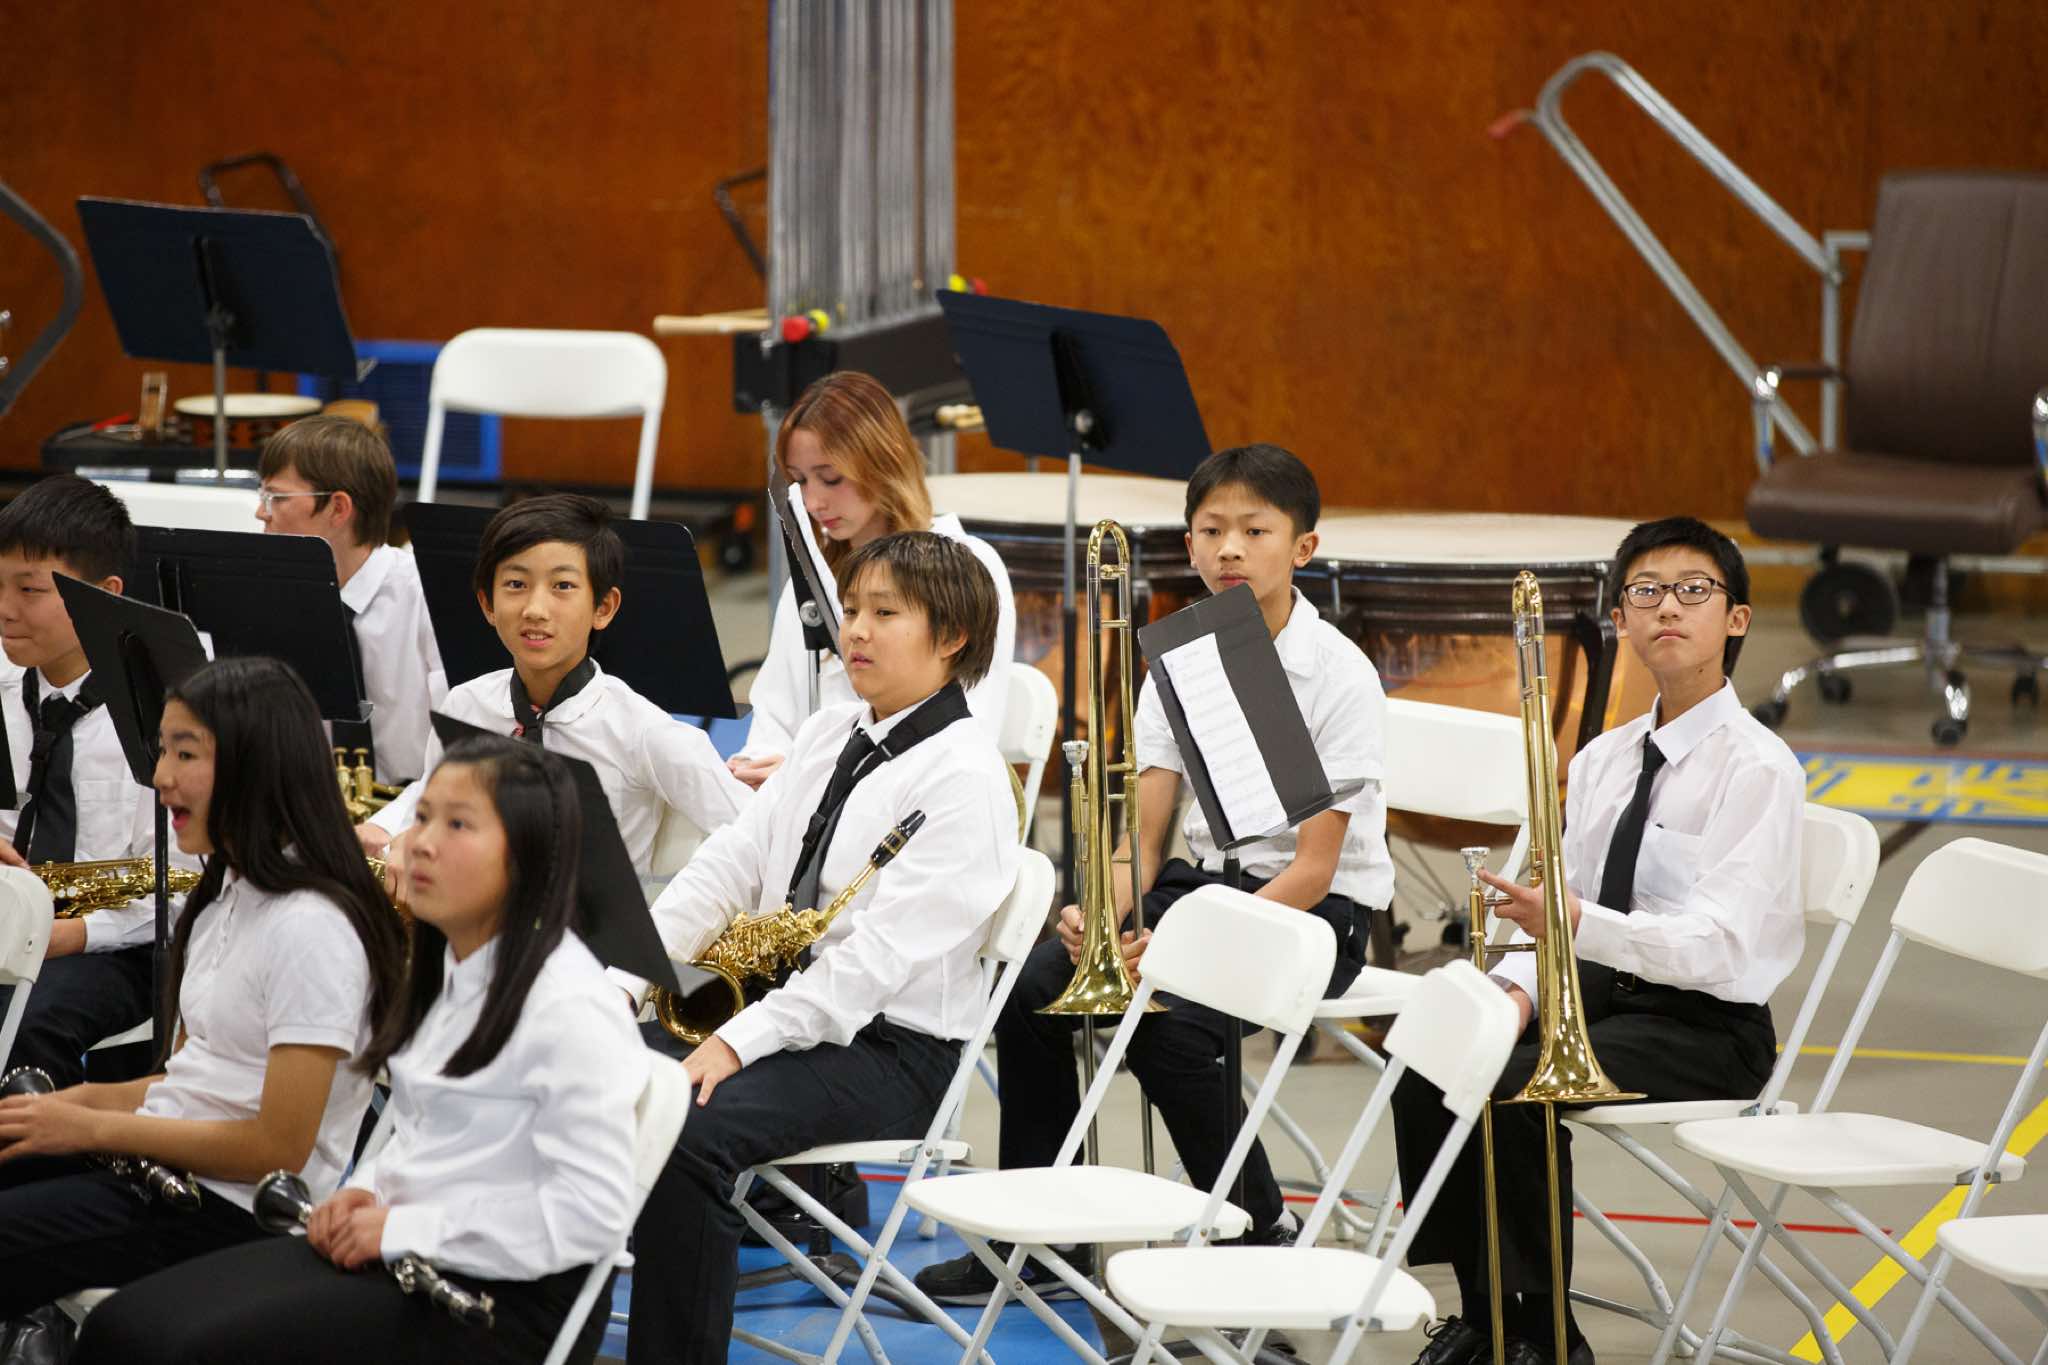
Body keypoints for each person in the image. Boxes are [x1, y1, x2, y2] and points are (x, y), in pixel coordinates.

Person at [915, 442, 1396, 1303]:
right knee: (1033, 990)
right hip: (1205, 887)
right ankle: (1043, 1244)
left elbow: (1316, 868)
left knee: (1168, 1023)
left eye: (1255, 531)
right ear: (1189, 544)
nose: (1230, 550)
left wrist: (1183, 947)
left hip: (1319, 914)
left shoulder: (1341, 676)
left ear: (1304, 548)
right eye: (1211, 531)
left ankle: (1258, 1231)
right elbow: (1140, 837)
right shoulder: (1182, 661)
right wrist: (1099, 914)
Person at [74, 736, 648, 1365]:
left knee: (171, 1346)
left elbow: (590, 1214)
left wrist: (403, 1227)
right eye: (421, 817)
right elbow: (429, 1135)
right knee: (125, 1326)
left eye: (458, 825)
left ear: (528, 856)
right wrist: (368, 1189)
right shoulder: (454, 966)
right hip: (412, 1252)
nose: (420, 842)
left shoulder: (570, 1004)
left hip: (501, 1304)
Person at [1394, 517, 1803, 1365]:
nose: (1667, 607)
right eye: (1645, 592)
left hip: (1706, 1025)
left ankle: (1550, 1337)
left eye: (1693, 590)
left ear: (1736, 618)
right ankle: (1484, 1314)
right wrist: (1517, 996)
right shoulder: (1601, 760)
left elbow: (1719, 946)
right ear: (1620, 619)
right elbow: (1557, 914)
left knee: (1513, 1089)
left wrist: (1580, 923)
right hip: (1595, 994)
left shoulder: (1758, 768)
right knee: (1434, 1058)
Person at [625, 531, 1018, 1363]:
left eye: (886, 613)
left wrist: (736, 1041)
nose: (857, 631)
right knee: (578, 1061)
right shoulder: (832, 727)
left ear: (951, 637)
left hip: (893, 1050)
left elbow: (867, 970)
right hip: (789, 1011)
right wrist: (632, 971)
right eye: (852, 609)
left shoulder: (968, 779)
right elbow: (731, 861)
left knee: (688, 1132)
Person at [0, 656, 407, 1320]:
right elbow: (185, 1082)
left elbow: (277, 1148)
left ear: (258, 766)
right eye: (162, 750)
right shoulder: (225, 893)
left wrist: (88, 1125)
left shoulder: (315, 927)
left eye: (185, 754)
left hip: (230, 1212)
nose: (160, 776)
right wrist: (63, 1109)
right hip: (162, 1173)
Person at [359, 493, 748, 874]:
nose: (535, 610)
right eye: (516, 584)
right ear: (487, 604)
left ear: (603, 607)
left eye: (562, 586)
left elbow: (755, 838)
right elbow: (429, 804)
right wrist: (399, 835)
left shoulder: (646, 733)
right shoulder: (465, 707)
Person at [0, 475, 200, 1085]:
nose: (5, 609)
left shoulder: (168, 708)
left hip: (122, 944)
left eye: (30, 590)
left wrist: (70, 934)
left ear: (104, 594)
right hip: (14, 921)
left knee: (30, 1024)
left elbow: (185, 885)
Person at [728, 369, 1016, 788]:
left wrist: (806, 777)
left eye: (831, 478)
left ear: (884, 460)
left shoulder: (968, 569)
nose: (813, 501)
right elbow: (773, 724)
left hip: (914, 808)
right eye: (800, 480)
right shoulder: (809, 582)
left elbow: (967, 736)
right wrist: (754, 770)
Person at [256, 413, 446, 784]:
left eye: (276, 497)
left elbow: (458, 748)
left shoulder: (427, 597)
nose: (261, 511)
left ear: (338, 508)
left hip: (414, 807)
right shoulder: (269, 597)